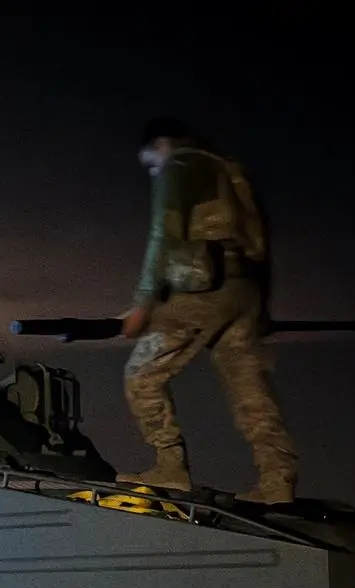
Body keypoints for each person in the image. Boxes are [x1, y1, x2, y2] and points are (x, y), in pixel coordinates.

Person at [117, 117, 298, 503]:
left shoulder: (179, 166)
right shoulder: (232, 172)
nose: (153, 171)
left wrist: (142, 304)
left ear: (162, 144)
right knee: (249, 390)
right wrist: (260, 306)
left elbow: (163, 235)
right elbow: (261, 244)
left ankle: (170, 467)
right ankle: (277, 481)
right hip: (244, 291)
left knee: (140, 375)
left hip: (202, 290)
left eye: (151, 163)